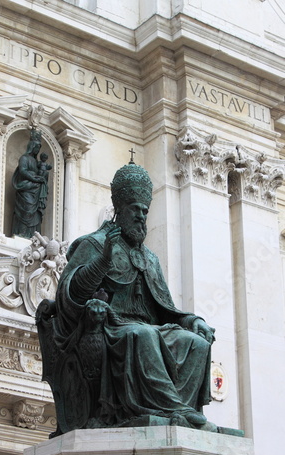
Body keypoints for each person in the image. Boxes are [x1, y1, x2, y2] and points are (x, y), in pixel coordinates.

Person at [37, 162, 216, 434]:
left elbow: (166, 307)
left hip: (151, 328)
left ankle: (182, 413)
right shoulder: (94, 243)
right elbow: (69, 295)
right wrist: (103, 259)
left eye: (145, 211)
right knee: (142, 337)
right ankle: (173, 410)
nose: (142, 216)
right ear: (119, 209)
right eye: (136, 210)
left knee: (195, 343)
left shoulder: (150, 258)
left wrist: (193, 320)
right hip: (112, 326)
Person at [11, 130, 46, 238]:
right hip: (26, 188)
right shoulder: (24, 158)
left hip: (35, 189)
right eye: (36, 148)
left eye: (39, 149)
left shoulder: (36, 162)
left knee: (35, 213)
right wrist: (35, 178)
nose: (37, 150)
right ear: (32, 146)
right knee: (26, 209)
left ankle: (32, 235)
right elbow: (22, 171)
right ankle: (21, 233)